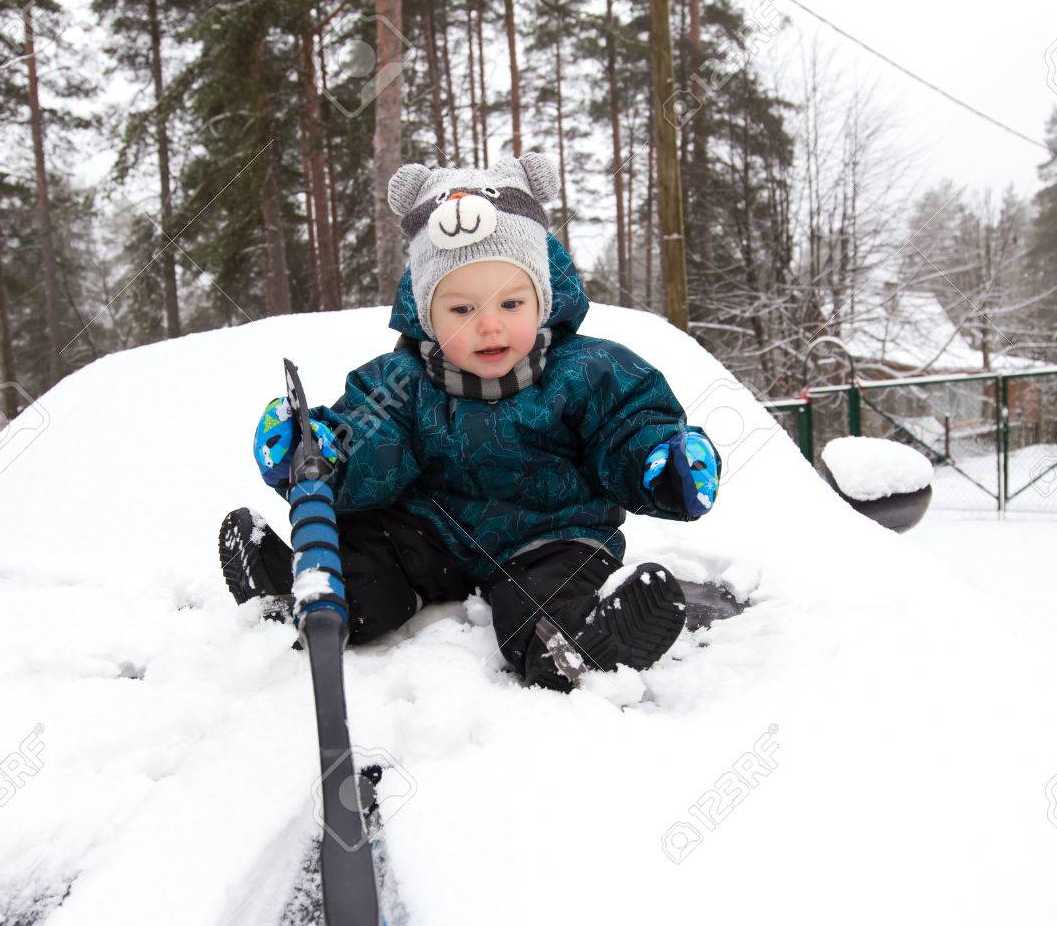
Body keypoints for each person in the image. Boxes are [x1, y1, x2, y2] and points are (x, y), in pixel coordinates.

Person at [219, 150, 721, 693]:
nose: (489, 326)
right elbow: (370, 437)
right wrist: (322, 453)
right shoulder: (401, 381)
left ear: (542, 298)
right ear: (426, 314)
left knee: (547, 597)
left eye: (511, 304)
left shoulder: (591, 371)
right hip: (428, 536)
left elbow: (629, 426)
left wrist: (661, 464)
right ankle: (300, 587)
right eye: (461, 310)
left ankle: (581, 644)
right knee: (369, 564)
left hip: (549, 535)